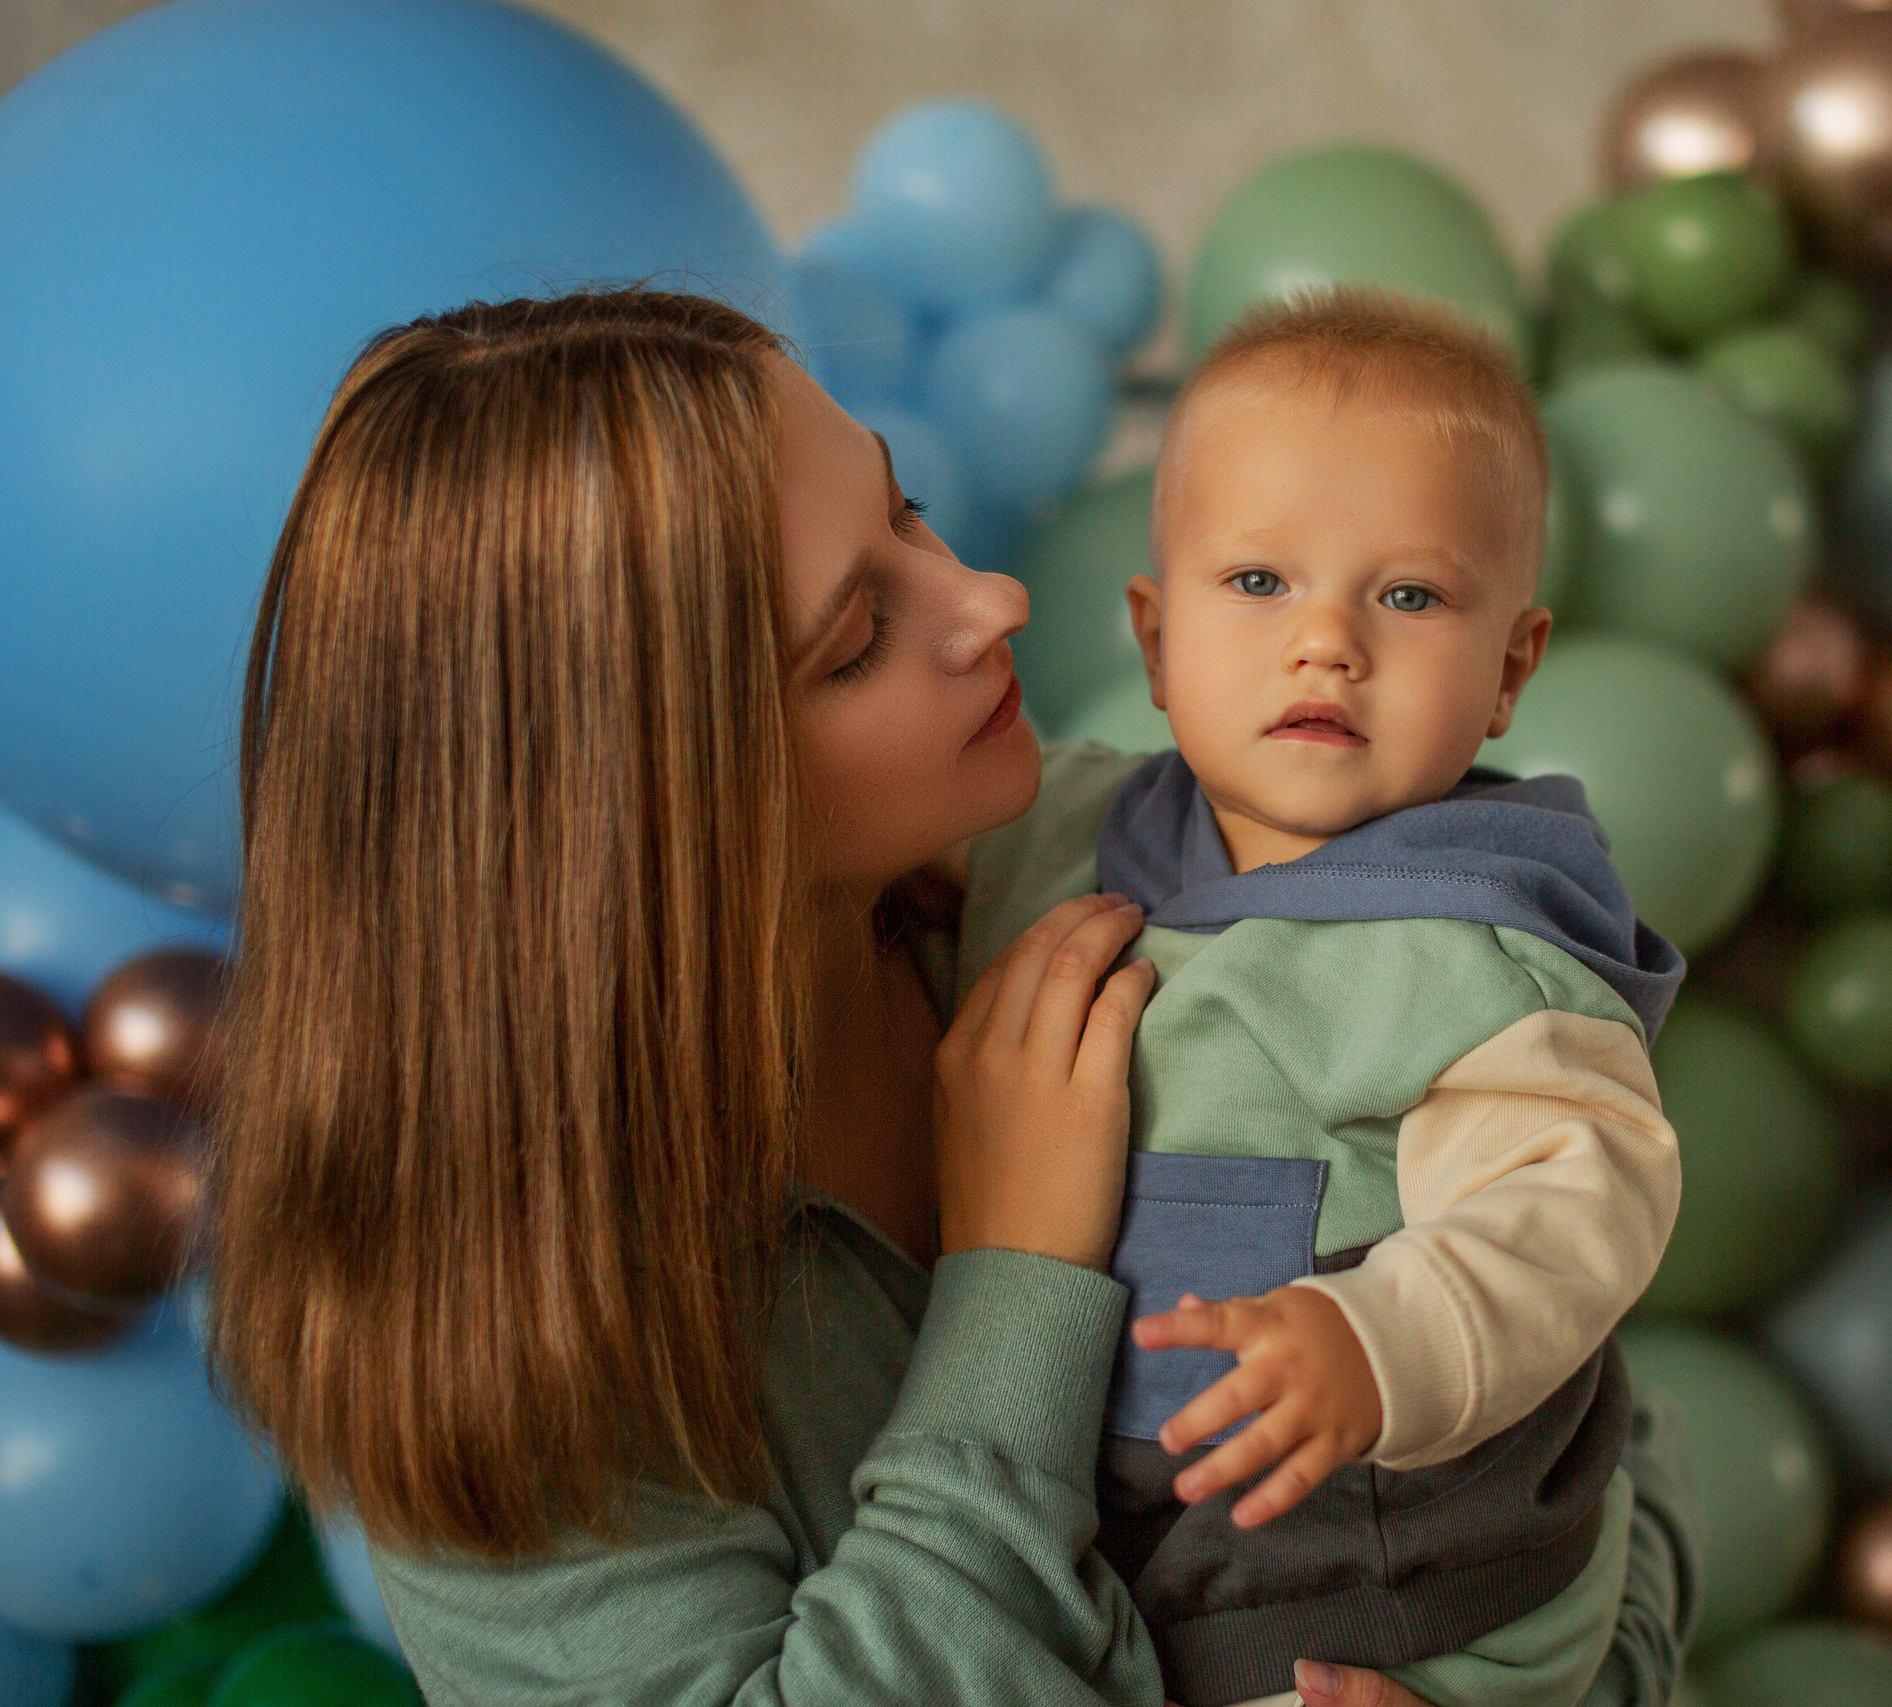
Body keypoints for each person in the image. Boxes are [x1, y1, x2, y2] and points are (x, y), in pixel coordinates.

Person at [204, 289, 1703, 1706]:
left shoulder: (1103, 870)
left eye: (907, 508)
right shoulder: (496, 1347)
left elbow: (1575, 1360)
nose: (988, 599)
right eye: (857, 636)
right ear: (652, 815)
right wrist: (1012, 1285)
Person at [954, 289, 1684, 1707]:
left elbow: (1576, 1208)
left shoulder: (1477, 947)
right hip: (1143, 1533)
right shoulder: (1065, 835)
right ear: (1155, 642)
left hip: (1392, 1574)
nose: (1327, 642)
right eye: (1259, 583)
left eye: (1408, 596)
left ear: (1509, 673)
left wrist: (1379, 1340)